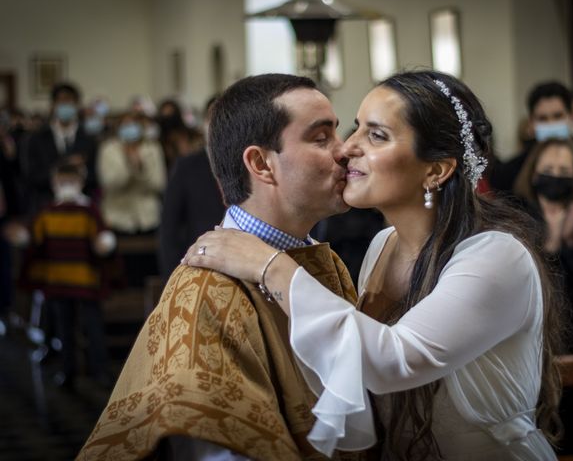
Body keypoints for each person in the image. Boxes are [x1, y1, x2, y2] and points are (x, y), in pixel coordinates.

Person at [184, 70, 565, 460]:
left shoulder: (497, 256)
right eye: (356, 128)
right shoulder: (383, 246)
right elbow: (350, 362)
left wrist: (269, 264)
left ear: (436, 170)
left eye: (376, 135)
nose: (347, 148)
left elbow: (391, 360)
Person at [78, 74, 367, 461]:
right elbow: (219, 452)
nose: (345, 149)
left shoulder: (323, 260)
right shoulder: (206, 290)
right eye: (321, 138)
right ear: (261, 164)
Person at [20, 159, 116, 389]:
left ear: (81, 183)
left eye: (71, 182)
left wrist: (105, 243)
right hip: (58, 279)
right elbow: (36, 241)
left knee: (93, 325)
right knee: (64, 327)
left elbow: (101, 235)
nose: (67, 186)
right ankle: (67, 370)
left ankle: (99, 369)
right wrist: (25, 239)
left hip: (85, 278)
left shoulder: (90, 210)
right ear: (54, 183)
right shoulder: (47, 212)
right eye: (62, 182)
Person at [513, 137, 573, 352]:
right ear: (533, 174)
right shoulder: (516, 217)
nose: (556, 176)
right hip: (530, 337)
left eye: (564, 171)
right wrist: (550, 242)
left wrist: (571, 241)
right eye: (548, 169)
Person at [158, 97, 225, 279]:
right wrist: (174, 277)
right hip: (197, 265)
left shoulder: (248, 164)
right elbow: (169, 227)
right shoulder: (186, 166)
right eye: (213, 117)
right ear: (204, 123)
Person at [24, 82, 98, 215]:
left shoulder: (89, 139)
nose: (65, 106)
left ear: (77, 105)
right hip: (46, 208)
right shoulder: (36, 138)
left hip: (80, 210)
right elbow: (31, 176)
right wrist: (64, 165)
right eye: (61, 101)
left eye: (70, 101)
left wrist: (81, 172)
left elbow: (96, 177)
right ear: (53, 105)